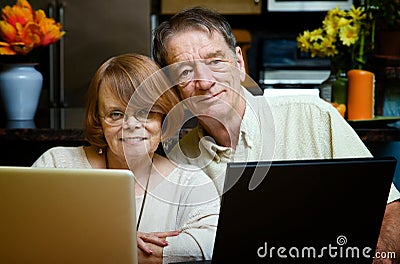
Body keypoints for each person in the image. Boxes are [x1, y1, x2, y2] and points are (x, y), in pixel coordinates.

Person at [152, 6, 400, 263]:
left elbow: (391, 208)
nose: (204, 82)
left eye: (215, 61)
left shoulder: (312, 115)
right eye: (185, 73)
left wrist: (380, 249)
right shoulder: (178, 162)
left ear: (238, 62)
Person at [32, 53, 220, 264]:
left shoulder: (190, 181)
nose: (131, 124)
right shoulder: (57, 164)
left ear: (163, 119)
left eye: (145, 111)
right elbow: (26, 233)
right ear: (99, 121)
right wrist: (118, 242)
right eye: (115, 114)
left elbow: (213, 241)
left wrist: (91, 245)